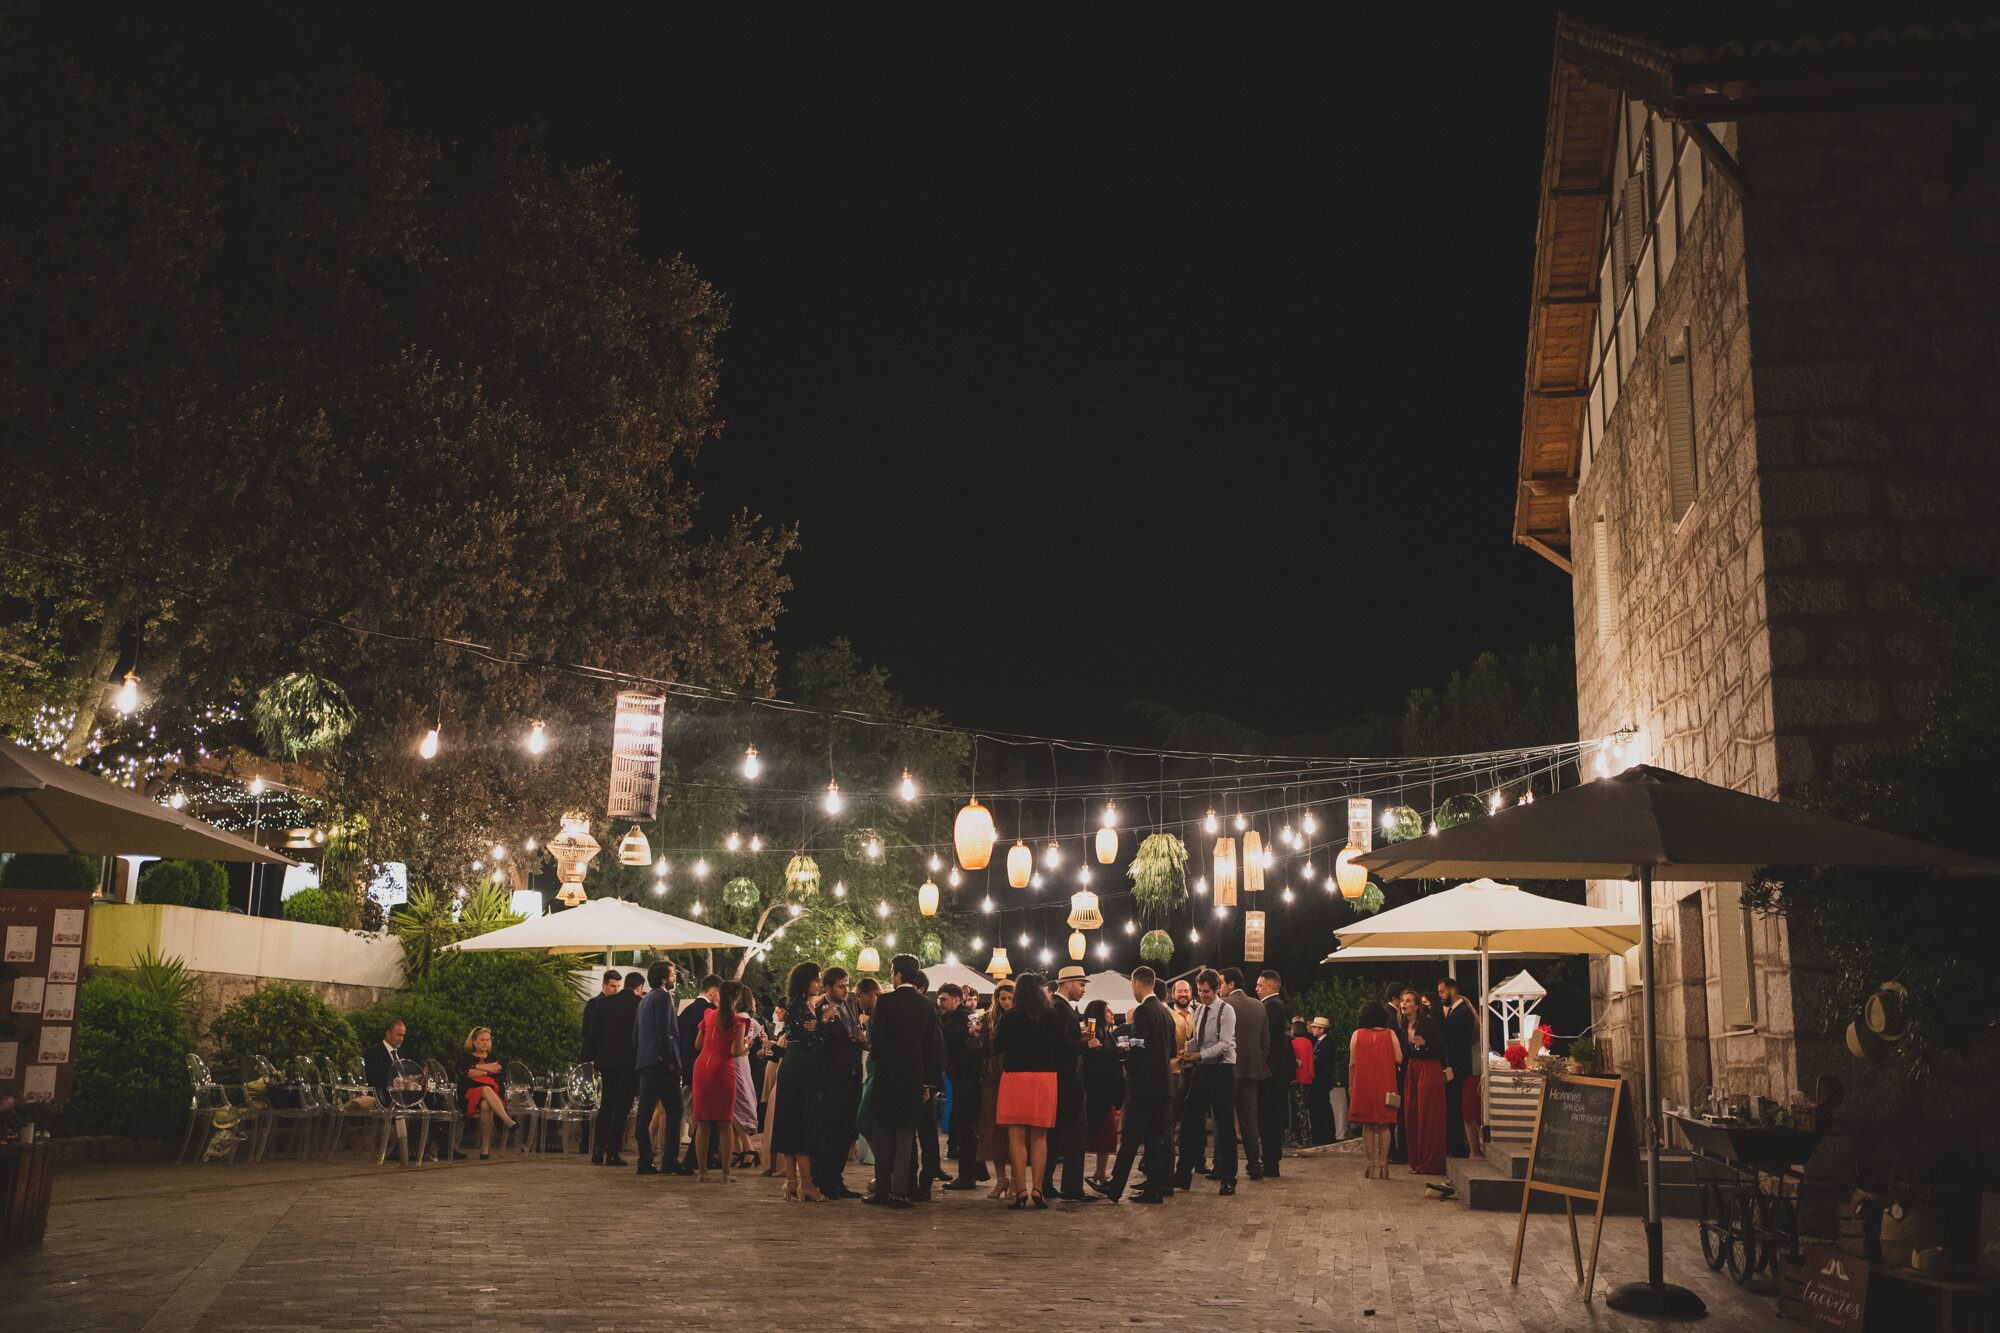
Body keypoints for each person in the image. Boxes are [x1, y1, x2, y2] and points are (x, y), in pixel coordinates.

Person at [865, 954, 945, 1208]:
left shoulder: (885, 1002)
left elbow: (877, 1042)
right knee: (905, 1136)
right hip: (914, 1076)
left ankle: (882, 1190)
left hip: (888, 1073)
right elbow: (931, 1047)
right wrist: (928, 1084)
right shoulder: (927, 1005)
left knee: (883, 1131)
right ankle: (900, 1192)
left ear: (898, 975)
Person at [1095, 967, 1175, 1204]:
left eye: (1132, 986)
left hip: (1145, 1086)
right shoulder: (1166, 1013)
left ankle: (1115, 1186)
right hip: (1164, 1085)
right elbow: (1170, 1049)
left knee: (1130, 1138)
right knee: (1156, 1139)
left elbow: (1139, 1043)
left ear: (1139, 984)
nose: (1133, 990)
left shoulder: (1143, 1012)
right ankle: (1155, 1188)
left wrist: (1128, 1064)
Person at [994, 971, 1071, 1209]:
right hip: (1045, 1079)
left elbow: (998, 1047)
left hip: (1015, 1078)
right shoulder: (1053, 1015)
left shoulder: (1010, 1017)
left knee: (1016, 1137)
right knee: (1040, 1136)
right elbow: (1063, 1047)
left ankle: (1020, 1191)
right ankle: (1038, 1189)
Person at [1175, 969, 1238, 1196]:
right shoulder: (1199, 1010)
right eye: (1200, 991)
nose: (1203, 996)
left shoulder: (1226, 1010)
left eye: (1207, 992)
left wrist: (1199, 1055)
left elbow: (1225, 1044)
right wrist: (1186, 1049)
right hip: (1202, 1071)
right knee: (1190, 1122)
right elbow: (1198, 1040)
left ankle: (1229, 1178)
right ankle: (1182, 1174)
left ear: (1217, 989)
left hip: (1222, 1071)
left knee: (1224, 1126)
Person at [770, 961, 826, 1201]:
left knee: (791, 1123)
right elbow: (811, 1042)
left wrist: (817, 1026)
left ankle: (791, 1182)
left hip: (793, 1067)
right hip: (801, 1068)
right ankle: (807, 1184)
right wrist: (822, 1024)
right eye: (817, 979)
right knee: (802, 1123)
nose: (819, 984)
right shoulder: (801, 1008)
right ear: (806, 981)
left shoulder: (796, 1007)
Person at [691, 978, 751, 1182]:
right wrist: (746, 1048)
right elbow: (735, 1051)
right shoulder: (737, 1021)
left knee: (703, 1122)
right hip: (722, 1069)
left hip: (701, 1068)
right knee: (725, 1123)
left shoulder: (708, 1015)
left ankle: (702, 1172)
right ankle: (726, 1173)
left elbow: (698, 1044)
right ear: (737, 998)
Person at [814, 966, 865, 1198]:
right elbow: (816, 1043)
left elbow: (855, 1033)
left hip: (852, 1076)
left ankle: (837, 1178)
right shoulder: (817, 1009)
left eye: (847, 985)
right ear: (827, 988)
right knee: (827, 1131)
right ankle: (822, 1179)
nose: (846, 990)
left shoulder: (852, 1005)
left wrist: (861, 1037)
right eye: (841, 986)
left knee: (846, 1131)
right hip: (831, 1078)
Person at [1044, 966, 1092, 1201]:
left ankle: (1046, 1184)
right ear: (1068, 983)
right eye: (1081, 984)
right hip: (1066, 1081)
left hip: (1062, 1080)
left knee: (1056, 1135)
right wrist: (1086, 1045)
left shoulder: (1062, 1007)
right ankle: (1071, 1187)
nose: (1083, 989)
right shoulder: (1061, 1008)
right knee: (1074, 1133)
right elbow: (1062, 1046)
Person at [634, 959, 685, 1176]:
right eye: (673, 974)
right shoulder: (664, 997)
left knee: (644, 1113)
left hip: (645, 1061)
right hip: (661, 1062)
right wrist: (671, 1060)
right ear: (664, 978)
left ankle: (645, 1159)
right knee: (675, 1110)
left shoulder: (644, 1000)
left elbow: (636, 1034)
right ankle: (670, 1160)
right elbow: (665, 1032)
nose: (675, 977)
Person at [588, 971, 642, 1168]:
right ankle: (612, 1151)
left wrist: (593, 1060)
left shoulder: (605, 1003)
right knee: (622, 1108)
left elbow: (593, 1033)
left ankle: (597, 1149)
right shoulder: (639, 1005)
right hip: (628, 1063)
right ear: (639, 988)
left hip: (607, 1062)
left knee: (606, 1105)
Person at [1218, 968, 1267, 1181]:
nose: (1218, 988)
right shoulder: (1259, 1006)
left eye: (1220, 983)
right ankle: (1255, 1163)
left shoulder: (1224, 1006)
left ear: (1230, 984)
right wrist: (1255, 1060)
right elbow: (1265, 1042)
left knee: (1224, 1118)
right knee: (1249, 1119)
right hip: (1252, 1070)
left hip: (1228, 1069)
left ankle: (1221, 1165)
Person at [1348, 1002, 1402, 1180]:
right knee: (1385, 1124)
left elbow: (1352, 1063)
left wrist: (1351, 1085)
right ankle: (1384, 1165)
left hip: (1363, 1084)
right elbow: (1399, 1058)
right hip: (1386, 1083)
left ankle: (1370, 1165)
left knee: (1367, 1124)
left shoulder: (1357, 1034)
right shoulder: (1390, 1034)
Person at [939, 983, 984, 1190]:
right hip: (964, 1079)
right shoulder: (960, 1015)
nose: (940, 1003)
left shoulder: (962, 1016)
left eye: (944, 999)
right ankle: (976, 1170)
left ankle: (968, 1175)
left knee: (964, 1125)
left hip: (969, 1080)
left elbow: (947, 1032)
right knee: (964, 1125)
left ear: (956, 1000)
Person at [974, 980, 1017, 1201]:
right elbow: (982, 1050)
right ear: (996, 998)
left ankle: (1015, 1181)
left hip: (1014, 1076)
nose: (1007, 1002)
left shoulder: (1021, 1017)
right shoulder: (988, 1018)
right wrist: (974, 1037)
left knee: (1014, 1131)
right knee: (993, 1129)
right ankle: (1001, 1179)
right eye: (1003, 998)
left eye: (1010, 998)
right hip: (992, 1078)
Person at [678, 974, 722, 1172]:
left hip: (686, 1067)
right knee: (706, 1116)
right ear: (713, 992)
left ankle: (702, 1156)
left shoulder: (686, 1011)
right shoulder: (711, 1012)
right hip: (706, 1067)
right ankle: (697, 1157)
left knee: (701, 1115)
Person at [1402, 991, 1448, 1178]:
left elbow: (1441, 1048)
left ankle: (1430, 1162)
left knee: (1427, 1115)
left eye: (1408, 1000)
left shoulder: (1428, 1024)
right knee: (1412, 1114)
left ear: (1416, 1006)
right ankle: (1416, 1159)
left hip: (1429, 1068)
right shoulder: (1402, 1025)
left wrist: (1425, 1044)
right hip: (1411, 1070)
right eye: (1403, 1000)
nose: (1403, 1003)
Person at [1254, 969, 1294, 1177]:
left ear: (1270, 986)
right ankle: (1269, 1160)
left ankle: (1270, 1162)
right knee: (1269, 1117)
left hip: (1270, 1072)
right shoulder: (1274, 1006)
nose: (1256, 988)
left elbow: (1266, 1039)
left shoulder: (1272, 1007)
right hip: (1274, 1071)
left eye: (1260, 985)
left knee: (1268, 1118)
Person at [1080, 998, 1124, 1187]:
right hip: (1098, 1093)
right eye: (1107, 1011)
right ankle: (1098, 1173)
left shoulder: (1107, 1034)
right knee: (1099, 1135)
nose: (1112, 1014)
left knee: (1107, 1136)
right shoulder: (1093, 1035)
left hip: (1106, 1093)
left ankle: (1100, 1172)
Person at [913, 971, 949, 1192]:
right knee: (926, 1128)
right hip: (927, 1076)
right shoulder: (928, 1008)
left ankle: (926, 1177)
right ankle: (929, 1172)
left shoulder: (926, 1008)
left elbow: (934, 1046)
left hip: (924, 1077)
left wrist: (928, 1082)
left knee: (924, 1128)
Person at [458, 1026, 517, 1159]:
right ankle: (507, 1120)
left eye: (488, 1040)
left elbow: (497, 1069)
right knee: (485, 1088)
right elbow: (466, 1072)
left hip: (492, 1094)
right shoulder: (465, 1057)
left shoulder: (493, 1057)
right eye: (482, 1040)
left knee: (486, 1105)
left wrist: (476, 1068)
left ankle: (485, 1148)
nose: (486, 1043)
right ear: (474, 1042)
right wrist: (486, 1070)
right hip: (469, 1092)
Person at [1438, 975, 1478, 1158]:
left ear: (1452, 990)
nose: (1440, 995)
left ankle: (1458, 1146)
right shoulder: (1457, 1010)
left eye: (1442, 991)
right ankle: (1456, 1145)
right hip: (1456, 1065)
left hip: (1459, 1066)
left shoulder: (1461, 1012)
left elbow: (1449, 1034)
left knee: (1456, 1105)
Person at [1307, 1017, 1339, 1144]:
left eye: (1315, 1027)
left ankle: (1328, 1135)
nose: (1312, 1029)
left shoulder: (1327, 1043)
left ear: (1321, 1029)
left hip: (1322, 1080)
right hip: (1317, 1080)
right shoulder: (1317, 1042)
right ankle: (1318, 1134)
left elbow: (1324, 1060)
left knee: (1323, 1107)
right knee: (1315, 1107)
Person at [1288, 1018, 1316, 1147]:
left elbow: (1294, 1061)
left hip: (1298, 1078)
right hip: (1308, 1078)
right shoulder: (1309, 1042)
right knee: (1303, 1108)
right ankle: (1306, 1136)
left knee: (1299, 1110)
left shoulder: (1294, 1043)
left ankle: (1303, 1138)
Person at [363, 1019, 405, 1098]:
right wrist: (395, 1082)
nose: (401, 1039)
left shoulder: (402, 1054)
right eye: (399, 1035)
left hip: (403, 1098)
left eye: (403, 1035)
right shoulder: (374, 1052)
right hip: (383, 1098)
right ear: (388, 1034)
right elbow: (373, 1080)